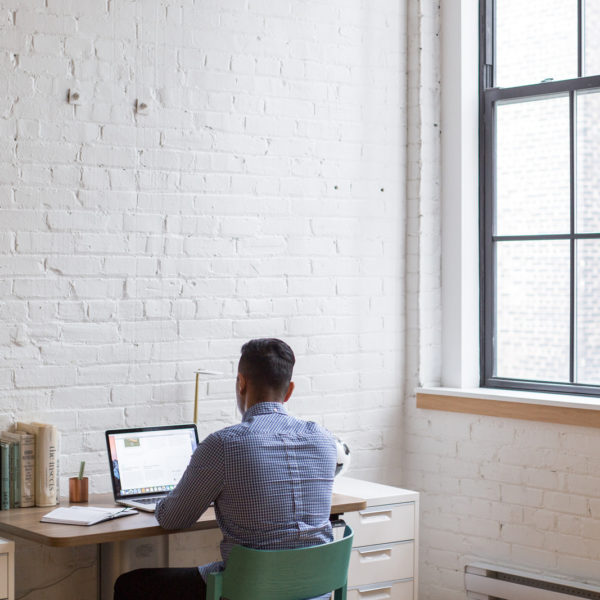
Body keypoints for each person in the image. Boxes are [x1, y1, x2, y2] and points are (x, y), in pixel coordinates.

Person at [114, 338, 337, 600]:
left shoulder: (224, 444)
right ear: (289, 391)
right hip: (316, 590)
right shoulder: (324, 440)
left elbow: (173, 519)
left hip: (249, 590)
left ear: (241, 383)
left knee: (130, 585)